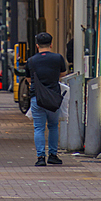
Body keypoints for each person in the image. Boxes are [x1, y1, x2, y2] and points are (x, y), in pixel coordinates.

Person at [25, 31, 67, 167]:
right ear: (51, 44)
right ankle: (53, 155)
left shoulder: (31, 60)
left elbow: (28, 79)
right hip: (53, 98)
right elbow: (63, 73)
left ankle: (41, 157)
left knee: (38, 128)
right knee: (54, 126)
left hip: (37, 98)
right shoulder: (58, 58)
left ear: (37, 45)